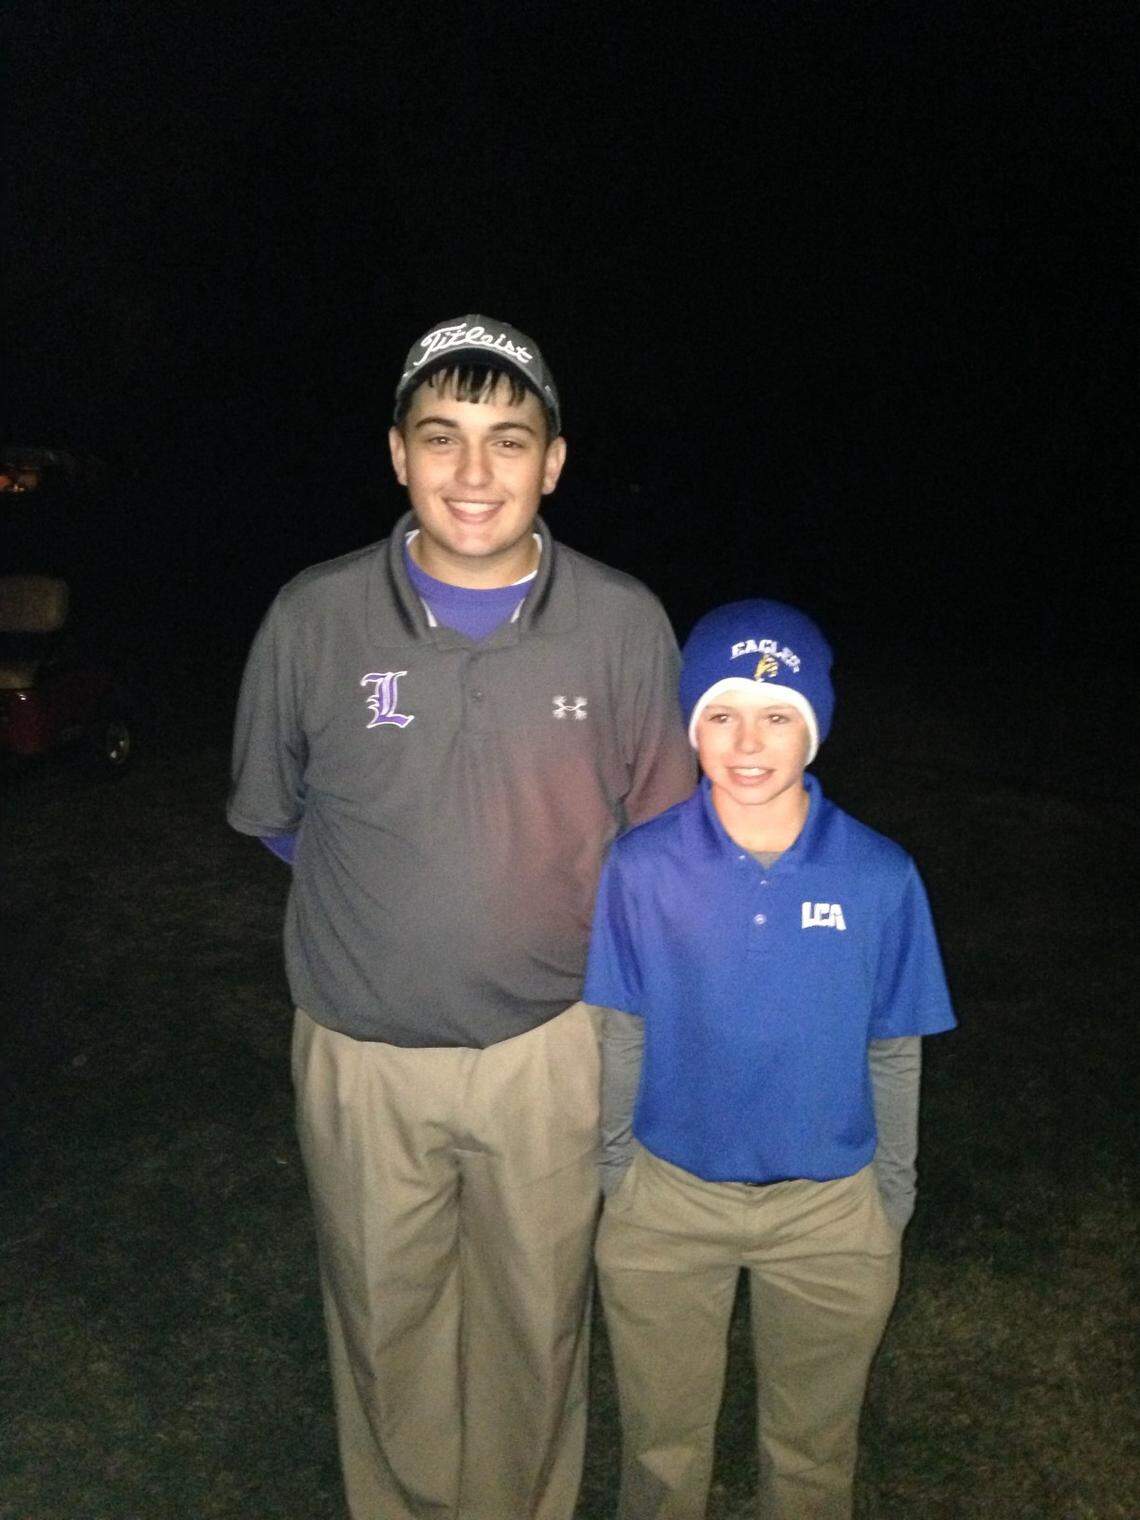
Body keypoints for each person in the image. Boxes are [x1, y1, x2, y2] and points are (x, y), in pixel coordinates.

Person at [227, 314, 695, 1520]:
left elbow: (656, 841)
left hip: (553, 1049)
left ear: (554, 460)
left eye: (507, 439)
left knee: (539, 1324)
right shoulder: (313, 618)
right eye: (442, 437)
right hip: (361, 1052)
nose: (473, 473)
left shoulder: (626, 622)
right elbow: (281, 816)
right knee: (387, 1327)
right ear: (396, 454)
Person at [584, 598, 956, 1520]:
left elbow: (893, 1048)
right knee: (662, 1456)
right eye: (721, 713)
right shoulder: (641, 866)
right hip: (669, 1205)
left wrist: (889, 1198)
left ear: (815, 730)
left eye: (778, 713)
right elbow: (621, 1027)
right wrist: (621, 1174)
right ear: (691, 728)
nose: (748, 742)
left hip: (830, 1214)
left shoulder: (878, 874)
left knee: (813, 1456)